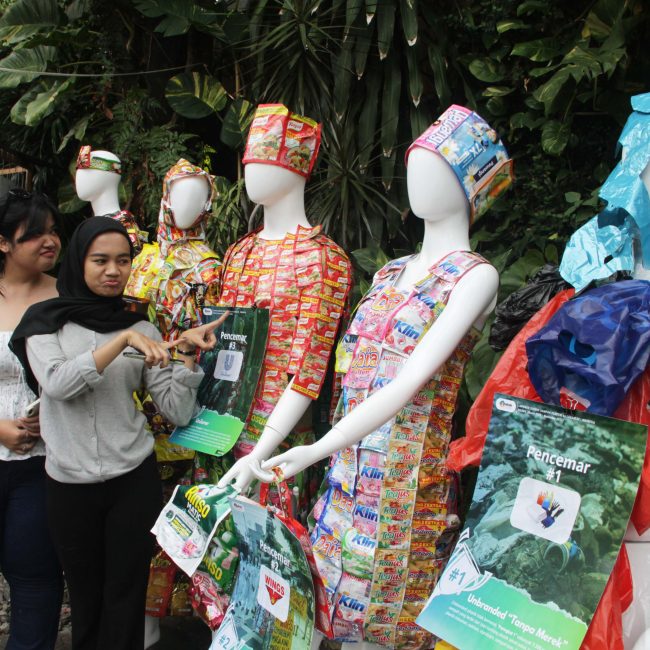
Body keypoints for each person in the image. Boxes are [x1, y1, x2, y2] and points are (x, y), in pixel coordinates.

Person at [9, 216, 223, 650]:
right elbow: (59, 384)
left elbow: (178, 410)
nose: (113, 271)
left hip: (132, 478)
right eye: (100, 260)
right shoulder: (44, 323)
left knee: (127, 595)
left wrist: (185, 354)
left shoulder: (142, 328)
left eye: (123, 261)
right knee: (85, 595)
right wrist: (120, 341)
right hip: (70, 482)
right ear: (78, 261)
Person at [0, 188, 64, 650]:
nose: (50, 241)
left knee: (35, 575)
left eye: (54, 231)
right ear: (4, 242)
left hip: (43, 463)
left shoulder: (66, 295)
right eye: (35, 233)